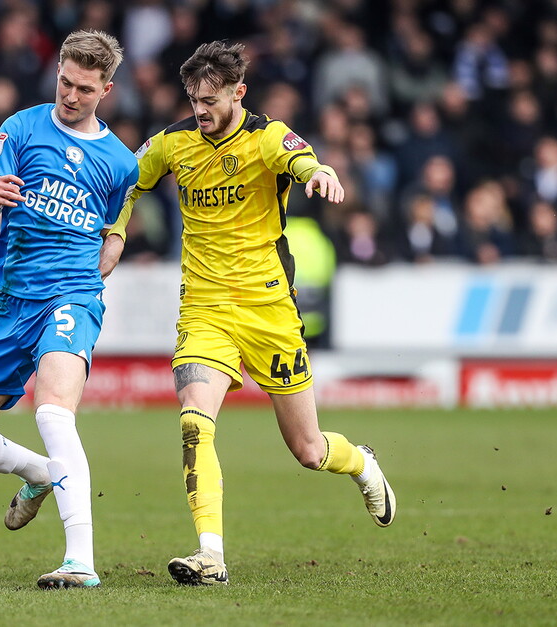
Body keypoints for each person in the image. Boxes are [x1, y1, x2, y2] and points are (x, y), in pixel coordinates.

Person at [102, 41, 396, 586]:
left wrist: (319, 172)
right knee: (195, 420)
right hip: (205, 306)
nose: (200, 110)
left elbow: (302, 156)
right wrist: (116, 231)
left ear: (239, 92)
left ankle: (361, 462)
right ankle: (210, 554)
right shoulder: (172, 143)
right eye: (193, 99)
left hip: (268, 309)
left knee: (309, 450)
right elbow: (127, 180)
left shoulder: (265, 137)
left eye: (210, 100)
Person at [0, 30, 138, 590]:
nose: (70, 95)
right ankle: (42, 474)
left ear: (106, 89)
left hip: (71, 297)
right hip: (10, 301)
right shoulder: (18, 128)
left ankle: (80, 561)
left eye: (84, 88)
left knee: (52, 412)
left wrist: (105, 258)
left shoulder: (119, 163)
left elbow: (113, 231)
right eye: (65, 81)